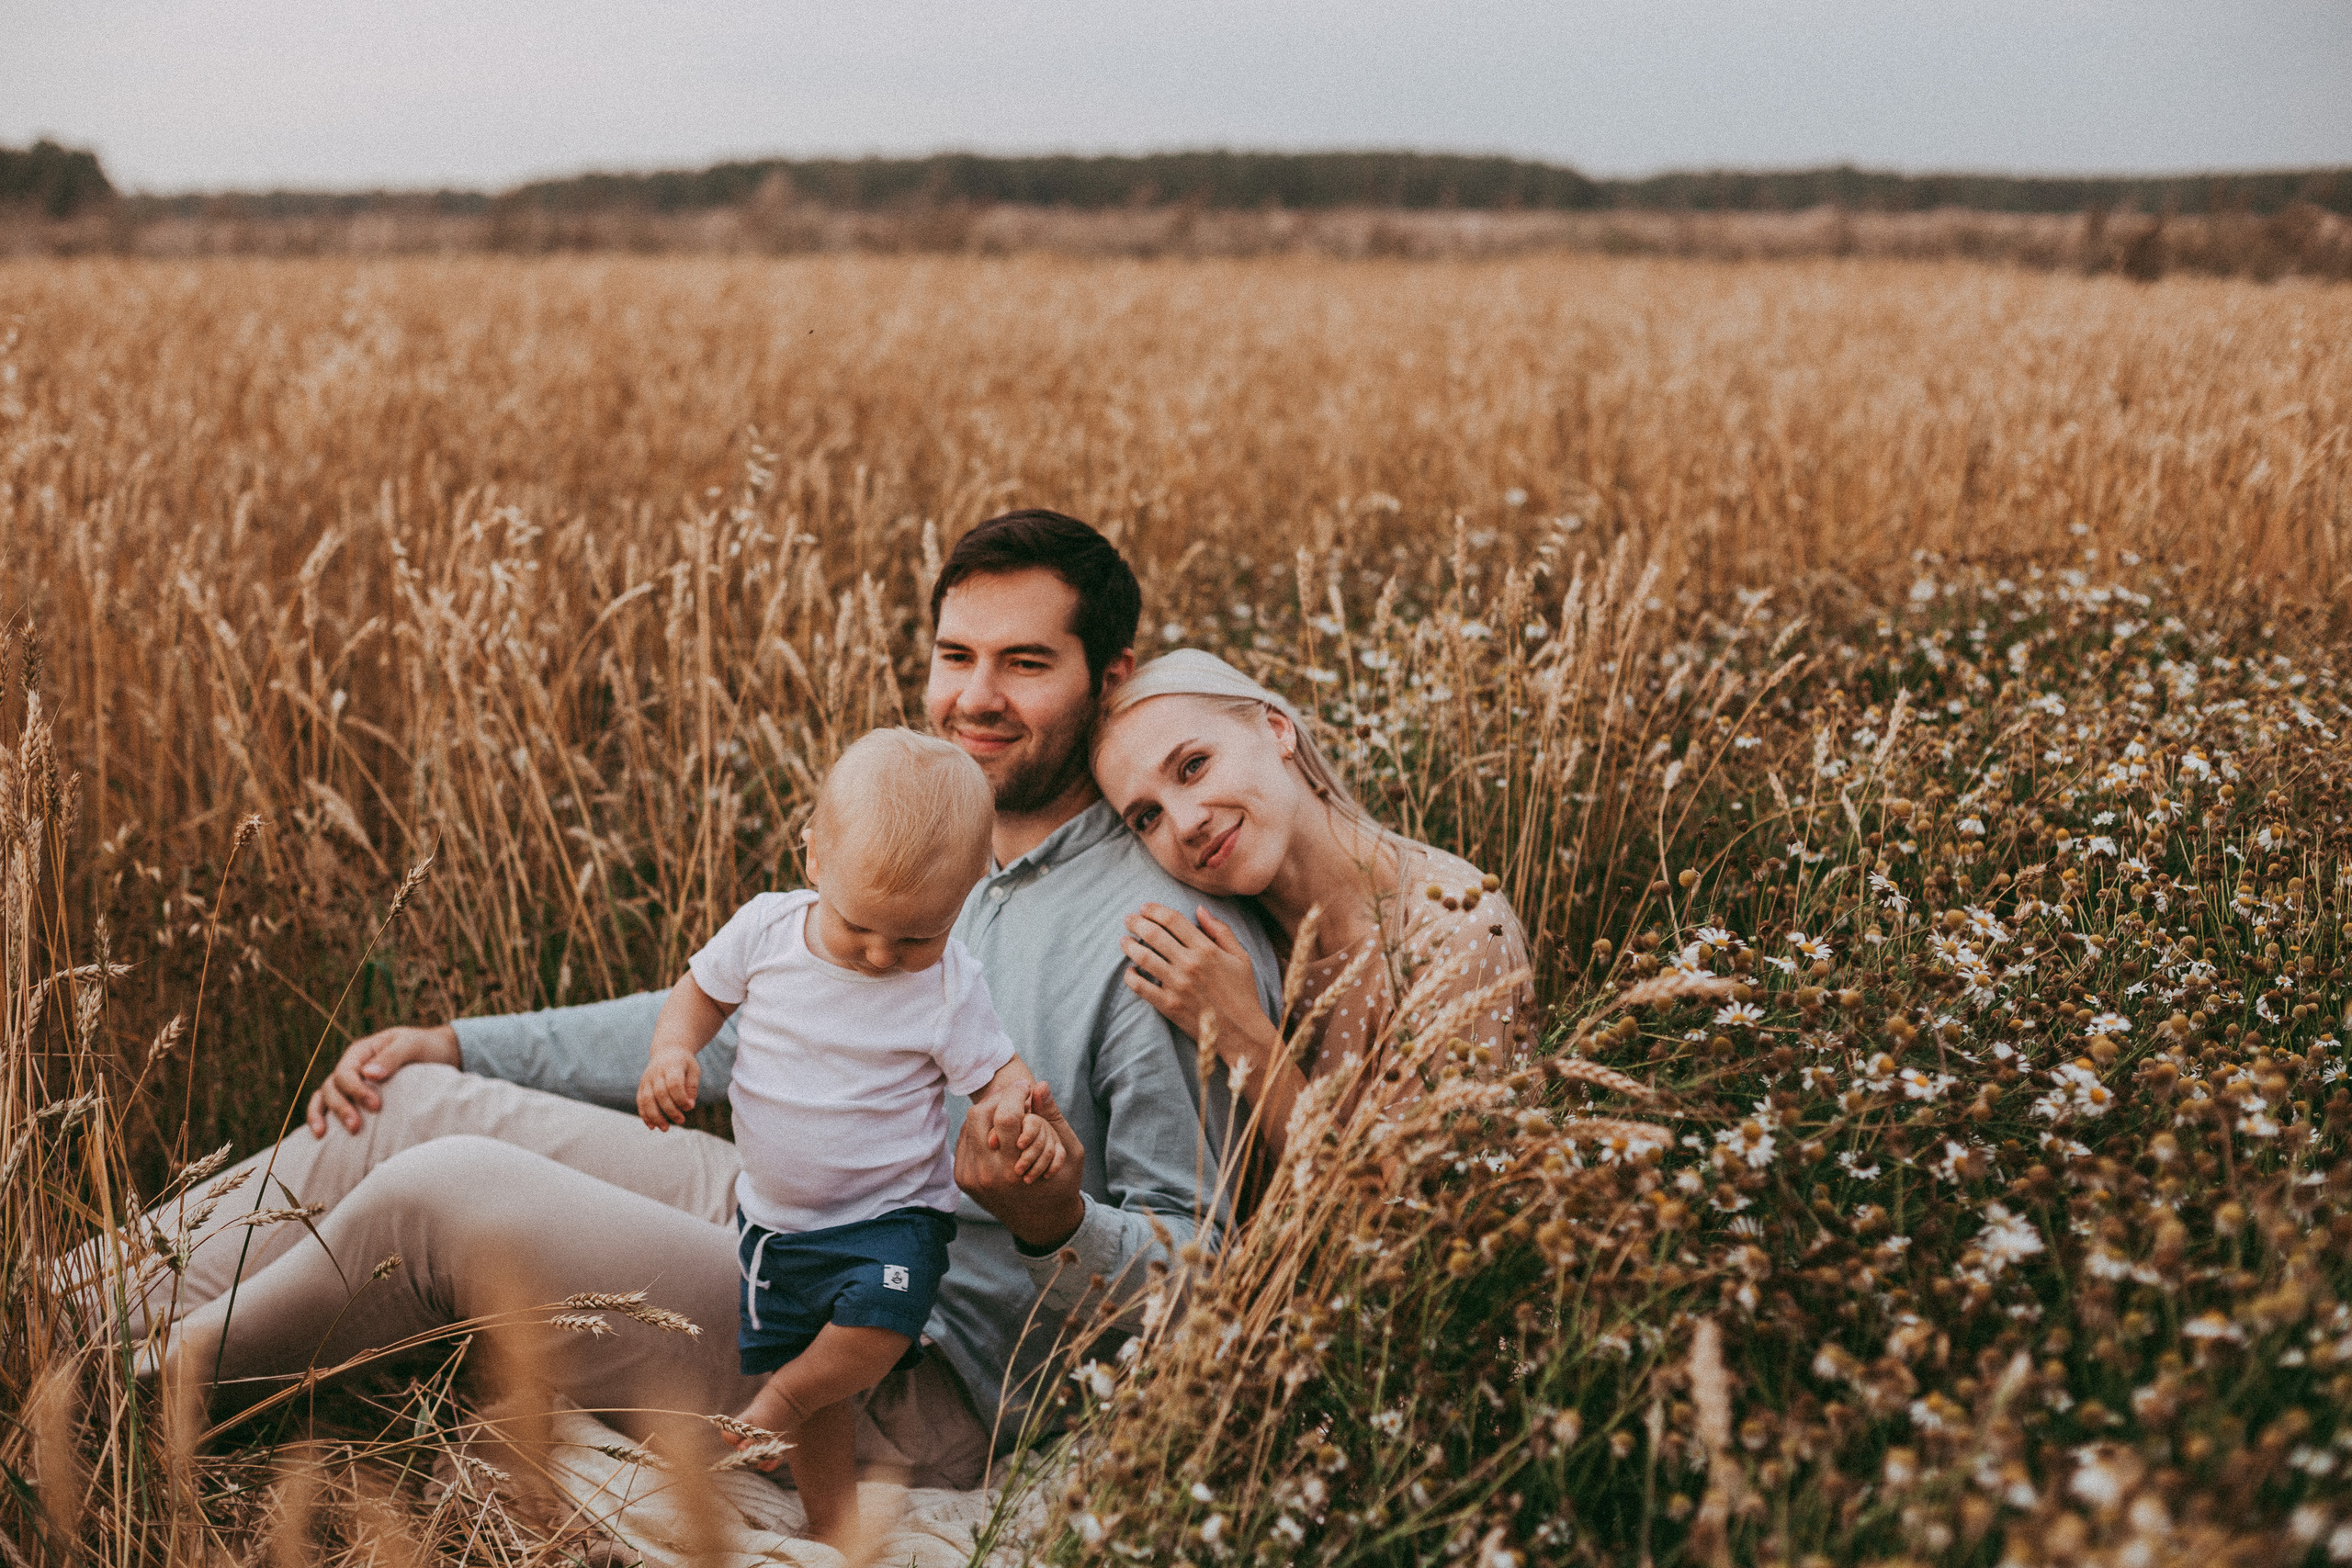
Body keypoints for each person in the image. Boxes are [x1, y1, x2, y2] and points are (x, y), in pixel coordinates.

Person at [88, 512, 1282, 1496]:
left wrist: (1052, 1213)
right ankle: (58, 1309)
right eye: (955, 654)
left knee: (442, 1198)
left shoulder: (1157, 934)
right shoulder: (947, 840)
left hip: (925, 1359)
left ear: (1110, 676)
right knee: (415, 1101)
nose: (976, 696)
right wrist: (461, 1038)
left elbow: (1198, 1272)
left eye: (1026, 663)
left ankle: (107, 1405)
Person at [634, 728, 1067, 1543]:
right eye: (859, 925)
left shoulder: (946, 983)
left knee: (879, 1318)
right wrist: (670, 1052)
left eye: (914, 937)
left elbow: (998, 1072)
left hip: (891, 1215)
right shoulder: (766, 931)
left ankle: (786, 1397)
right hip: (777, 1223)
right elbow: (697, 994)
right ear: (814, 860)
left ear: (968, 893)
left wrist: (1018, 1113)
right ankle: (832, 1527)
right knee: (817, 1398)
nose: (879, 954)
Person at [1091, 649, 1536, 1168]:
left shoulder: (1456, 929)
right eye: (1147, 817)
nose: (1186, 823)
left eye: (1193, 767)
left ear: (1278, 730)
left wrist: (1246, 1041)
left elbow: (1408, 1214)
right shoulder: (1221, 944)